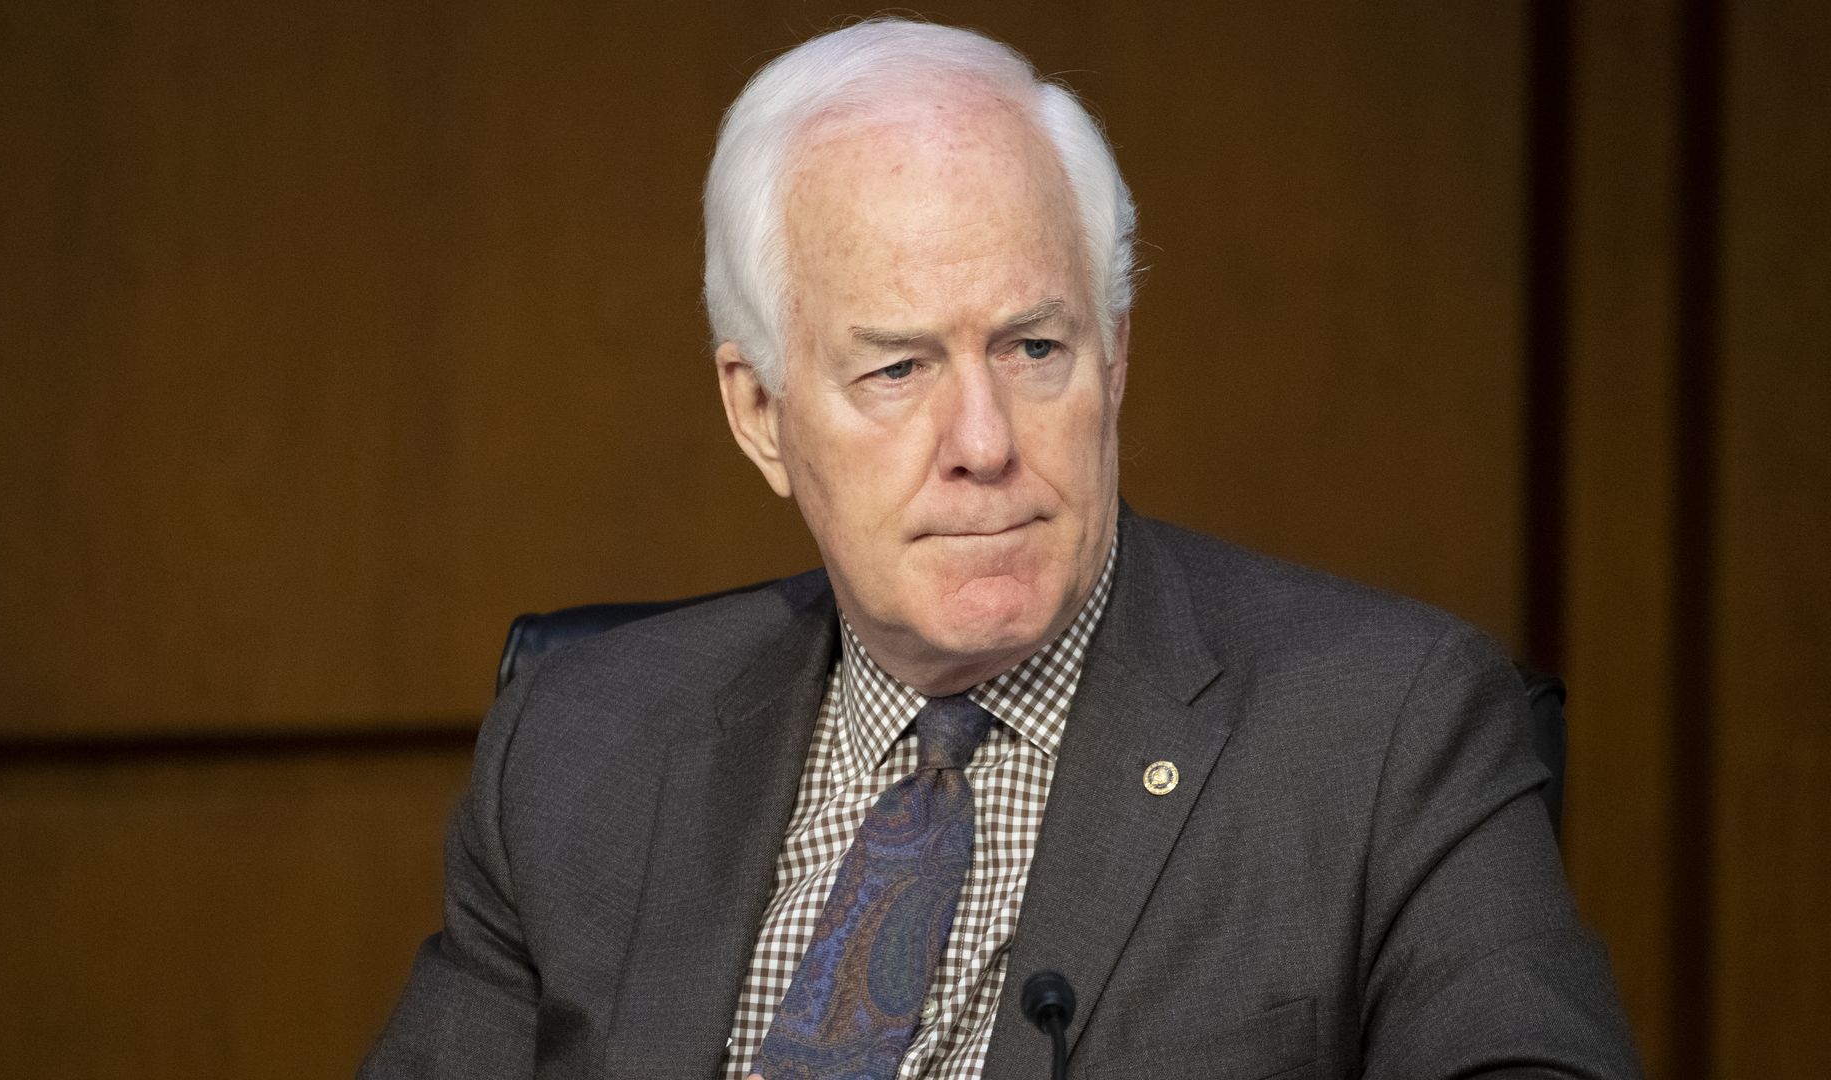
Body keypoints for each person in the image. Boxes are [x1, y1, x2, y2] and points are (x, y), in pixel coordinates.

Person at [362, 18, 1638, 1079]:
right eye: (899, 366)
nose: (982, 440)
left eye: (1035, 349)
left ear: (1117, 358)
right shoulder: (582, 743)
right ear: (759, 412)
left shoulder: (1384, 730)